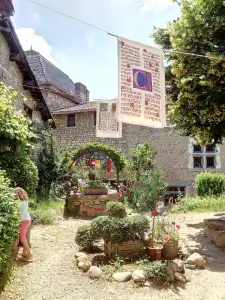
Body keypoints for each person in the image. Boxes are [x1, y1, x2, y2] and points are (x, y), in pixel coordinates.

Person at [14, 187, 33, 262]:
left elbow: (16, 213)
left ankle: (29, 254)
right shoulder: (25, 201)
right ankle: (25, 253)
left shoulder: (18, 203)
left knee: (22, 238)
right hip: (27, 219)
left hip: (23, 221)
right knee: (24, 237)